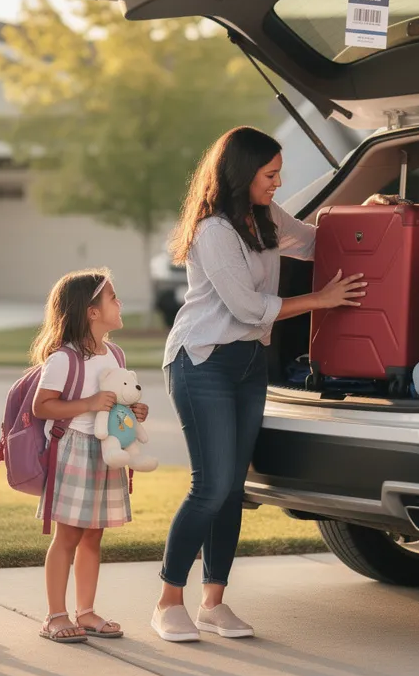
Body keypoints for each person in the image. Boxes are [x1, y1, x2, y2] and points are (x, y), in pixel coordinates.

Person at [152, 126, 366, 642]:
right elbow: (247, 307)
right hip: (202, 360)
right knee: (209, 487)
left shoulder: (265, 216)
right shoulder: (213, 231)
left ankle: (213, 603)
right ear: (243, 173)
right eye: (270, 174)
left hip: (249, 362)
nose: (278, 182)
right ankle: (167, 602)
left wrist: (367, 214)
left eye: (278, 173)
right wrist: (320, 301)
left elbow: (315, 243)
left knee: (232, 489)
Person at [30, 269, 150, 643]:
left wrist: (133, 413)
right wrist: (89, 403)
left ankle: (86, 611)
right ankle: (55, 615)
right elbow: (42, 406)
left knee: (93, 536)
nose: (119, 303)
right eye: (113, 297)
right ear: (92, 312)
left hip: (106, 451)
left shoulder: (115, 354)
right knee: (67, 536)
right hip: (75, 450)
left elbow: (116, 403)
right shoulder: (64, 359)